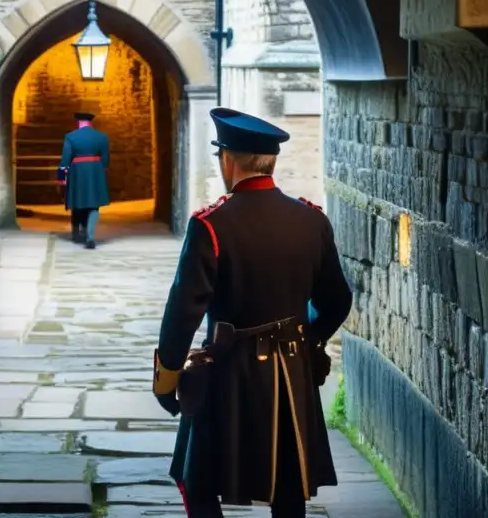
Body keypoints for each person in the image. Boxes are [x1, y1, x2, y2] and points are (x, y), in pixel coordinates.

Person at [151, 107, 353, 517]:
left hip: (227, 369)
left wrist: (167, 377)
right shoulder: (311, 221)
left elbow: (182, 310)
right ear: (268, 161)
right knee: (289, 483)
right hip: (291, 371)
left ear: (227, 158)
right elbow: (337, 300)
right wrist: (307, 339)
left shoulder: (211, 225)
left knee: (197, 477)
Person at [56, 111, 110, 249]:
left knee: (77, 201)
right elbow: (106, 160)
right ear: (91, 122)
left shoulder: (70, 137)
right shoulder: (102, 137)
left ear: (78, 122)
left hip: (77, 171)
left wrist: (62, 178)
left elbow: (65, 159)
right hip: (95, 170)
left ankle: (76, 233)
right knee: (93, 205)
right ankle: (90, 237)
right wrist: (99, 171)